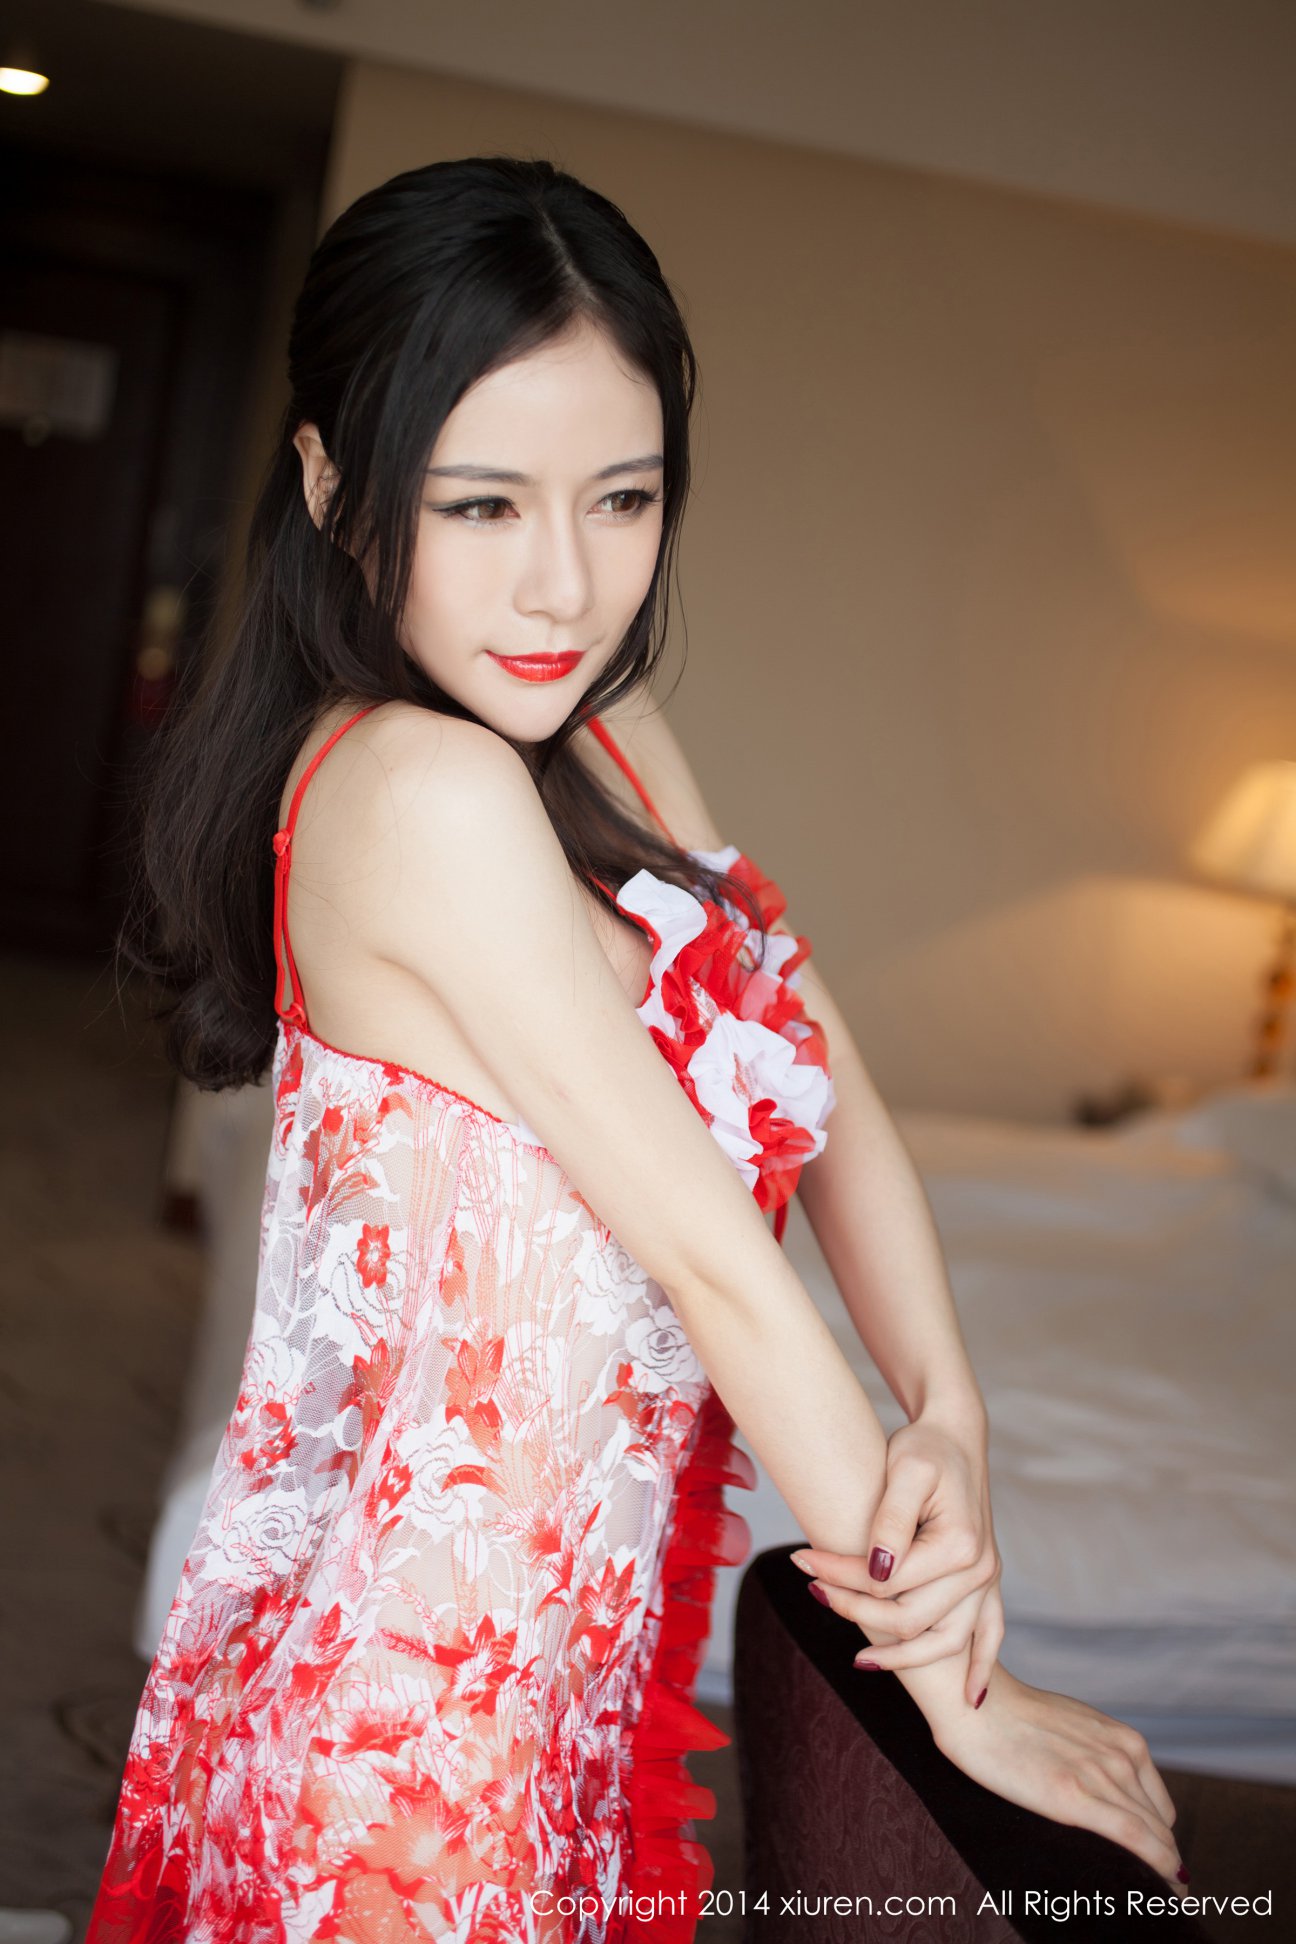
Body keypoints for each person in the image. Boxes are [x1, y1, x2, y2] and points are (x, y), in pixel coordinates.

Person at [87, 156, 1185, 1942]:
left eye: (623, 498)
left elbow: (822, 1074)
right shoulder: (416, 789)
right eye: (481, 505)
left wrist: (952, 1413)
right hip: (408, 1753)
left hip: (564, 1717)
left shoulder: (604, 728)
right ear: (334, 486)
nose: (564, 588)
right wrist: (966, 1696)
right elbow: (710, 1256)